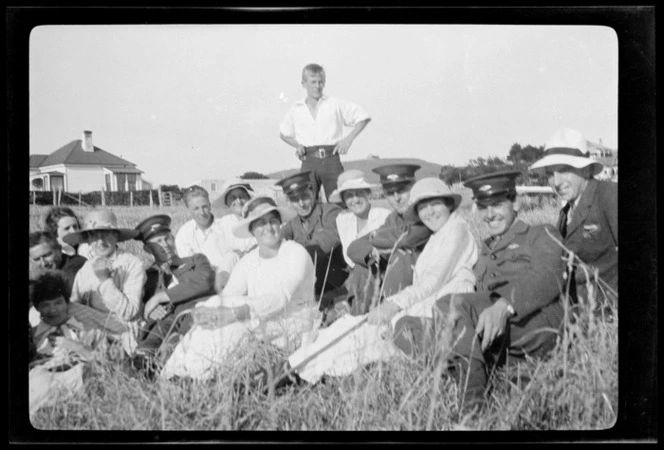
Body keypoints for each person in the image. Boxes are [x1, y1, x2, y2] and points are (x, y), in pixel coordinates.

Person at [255, 177, 478, 389]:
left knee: (353, 339)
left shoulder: (457, 230)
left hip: (429, 317)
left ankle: (282, 378)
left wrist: (392, 305)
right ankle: (275, 377)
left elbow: (432, 282)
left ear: (449, 203)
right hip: (414, 310)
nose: (429, 212)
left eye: (435, 204)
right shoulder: (438, 233)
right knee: (341, 331)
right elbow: (358, 248)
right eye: (423, 207)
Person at [393, 171, 566, 412]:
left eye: (497, 204)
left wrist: (505, 305)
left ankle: (472, 407)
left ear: (515, 202)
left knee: (450, 304)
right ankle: (480, 370)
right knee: (405, 326)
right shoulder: (484, 249)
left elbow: (548, 277)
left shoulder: (540, 233)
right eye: (483, 207)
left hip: (533, 323)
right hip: (493, 334)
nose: (490, 214)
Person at [160, 197, 319, 381]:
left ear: (280, 224)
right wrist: (207, 312)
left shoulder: (295, 252)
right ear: (252, 230)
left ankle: (200, 376)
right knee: (213, 305)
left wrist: (235, 313)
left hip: (293, 321)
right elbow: (228, 296)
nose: (268, 228)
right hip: (261, 317)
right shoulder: (249, 260)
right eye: (261, 224)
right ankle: (172, 372)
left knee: (237, 324)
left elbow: (280, 298)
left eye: (273, 222)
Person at [529, 128, 617, 307]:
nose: (556, 182)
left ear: (586, 170)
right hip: (576, 310)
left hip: (606, 310)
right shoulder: (565, 214)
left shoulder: (608, 195)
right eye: (550, 174)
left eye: (563, 170)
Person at [29, 272, 125, 417]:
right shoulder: (33, 337)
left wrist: (78, 348)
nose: (53, 310)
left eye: (58, 302)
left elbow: (109, 368)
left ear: (67, 303)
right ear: (37, 309)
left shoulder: (89, 332)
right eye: (46, 305)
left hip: (84, 384)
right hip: (43, 383)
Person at [344, 164, 432, 315]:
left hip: (423, 288)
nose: (397, 198)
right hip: (396, 284)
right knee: (364, 265)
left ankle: (393, 318)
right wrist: (373, 252)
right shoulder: (393, 219)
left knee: (401, 256)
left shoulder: (426, 212)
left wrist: (378, 240)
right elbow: (354, 247)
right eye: (390, 193)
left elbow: (406, 240)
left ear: (414, 189)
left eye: (402, 191)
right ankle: (359, 318)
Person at [279, 63, 371, 202]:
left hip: (331, 159)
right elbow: (284, 133)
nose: (317, 86)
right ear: (303, 83)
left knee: (338, 201)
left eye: (321, 82)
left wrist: (348, 139)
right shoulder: (296, 109)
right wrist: (298, 145)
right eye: (313, 82)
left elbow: (363, 117)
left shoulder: (334, 104)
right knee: (307, 201)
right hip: (309, 160)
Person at [134, 214, 216, 359]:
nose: (165, 244)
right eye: (158, 241)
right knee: (153, 340)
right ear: (148, 249)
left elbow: (204, 281)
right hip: (159, 328)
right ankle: (146, 355)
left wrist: (158, 298)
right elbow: (138, 307)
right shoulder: (145, 277)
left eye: (168, 238)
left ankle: (170, 352)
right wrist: (148, 312)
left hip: (193, 319)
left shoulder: (196, 261)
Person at [64, 210, 145, 355]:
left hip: (121, 327)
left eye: (105, 234)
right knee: (65, 310)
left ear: (116, 236)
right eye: (94, 235)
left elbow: (129, 312)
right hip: (92, 325)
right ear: (88, 240)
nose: (100, 241)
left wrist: (105, 280)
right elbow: (75, 303)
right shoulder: (87, 267)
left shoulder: (131, 263)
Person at [276, 171, 348, 308]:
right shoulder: (292, 222)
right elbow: (275, 242)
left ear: (313, 192)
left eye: (305, 197)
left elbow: (323, 244)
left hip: (333, 284)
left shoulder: (331, 212)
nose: (302, 204)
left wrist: (290, 255)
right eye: (295, 200)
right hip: (307, 284)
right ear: (288, 202)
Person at [175, 185, 245, 293]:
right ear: (189, 209)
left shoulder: (226, 225)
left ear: (210, 205)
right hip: (200, 281)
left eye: (204, 207)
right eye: (196, 208)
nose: (202, 213)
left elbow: (239, 255)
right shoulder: (184, 233)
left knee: (231, 257)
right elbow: (188, 267)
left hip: (229, 279)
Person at [28, 231, 87, 327]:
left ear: (59, 250)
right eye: (37, 259)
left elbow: (67, 295)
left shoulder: (76, 263)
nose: (43, 263)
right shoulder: (35, 271)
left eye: (47, 255)